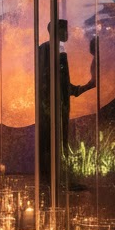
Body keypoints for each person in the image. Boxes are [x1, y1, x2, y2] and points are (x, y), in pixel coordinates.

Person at [36, 19, 94, 191]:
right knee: (53, 142)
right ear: (55, 31)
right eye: (64, 30)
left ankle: (57, 180)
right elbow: (50, 82)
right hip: (52, 108)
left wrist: (83, 88)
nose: (67, 34)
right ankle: (55, 181)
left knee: (56, 141)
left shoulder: (54, 50)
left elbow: (61, 84)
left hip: (55, 106)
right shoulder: (49, 50)